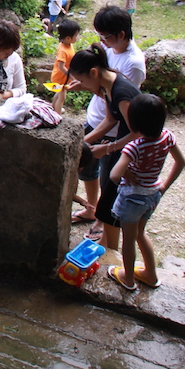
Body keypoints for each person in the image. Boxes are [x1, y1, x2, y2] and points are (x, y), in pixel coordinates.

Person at [74, 6, 146, 234]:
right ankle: (97, 212)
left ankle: (105, 223)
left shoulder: (130, 70)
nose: (103, 42)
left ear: (121, 34)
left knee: (110, 181)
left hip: (120, 138)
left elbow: (133, 127)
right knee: (91, 170)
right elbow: (109, 114)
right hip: (104, 125)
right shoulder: (108, 63)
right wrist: (84, 141)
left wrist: (108, 148)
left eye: (106, 37)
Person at [107, 94, 185, 291]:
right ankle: (150, 274)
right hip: (153, 193)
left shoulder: (134, 147)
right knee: (141, 234)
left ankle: (128, 278)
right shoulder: (167, 137)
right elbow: (181, 162)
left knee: (129, 240)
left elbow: (114, 174)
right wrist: (164, 186)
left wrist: (129, 174)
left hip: (133, 198)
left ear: (133, 123)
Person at [68, 42, 142, 249]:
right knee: (108, 196)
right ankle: (106, 244)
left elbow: (137, 133)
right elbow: (110, 121)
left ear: (94, 72)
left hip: (131, 151)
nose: (82, 85)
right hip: (121, 146)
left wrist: (108, 148)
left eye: (82, 80)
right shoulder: (109, 85)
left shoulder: (121, 92)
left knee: (111, 199)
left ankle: (109, 249)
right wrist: (82, 142)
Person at [49, 18, 80, 114]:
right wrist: (71, 77)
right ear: (68, 38)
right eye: (76, 35)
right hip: (60, 78)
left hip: (62, 78)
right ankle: (57, 113)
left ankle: (53, 107)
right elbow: (61, 66)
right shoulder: (63, 50)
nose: (77, 38)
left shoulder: (67, 45)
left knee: (59, 93)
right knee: (62, 97)